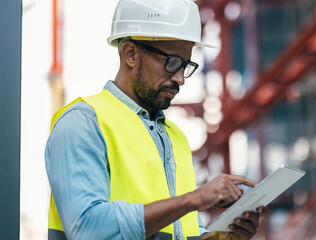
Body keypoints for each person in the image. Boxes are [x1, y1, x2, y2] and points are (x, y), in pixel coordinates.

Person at [45, 0, 266, 239]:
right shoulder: (84, 122)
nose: (180, 79)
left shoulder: (175, 138)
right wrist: (194, 199)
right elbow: (87, 228)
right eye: (172, 62)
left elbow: (177, 232)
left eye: (186, 65)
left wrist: (223, 237)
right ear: (130, 53)